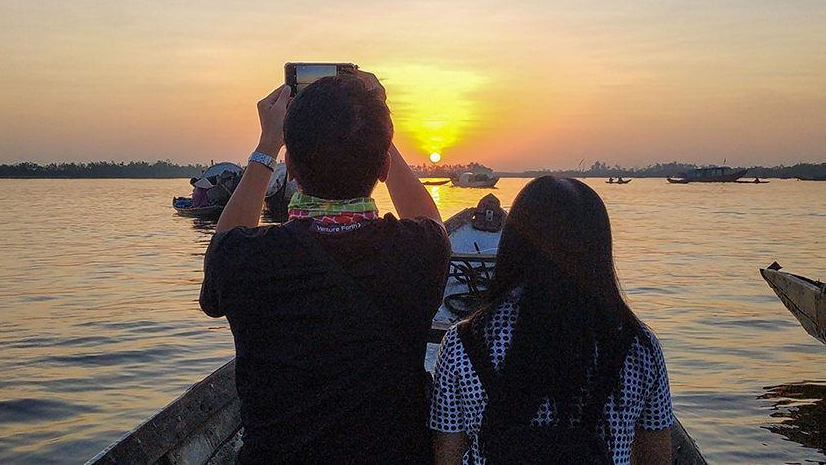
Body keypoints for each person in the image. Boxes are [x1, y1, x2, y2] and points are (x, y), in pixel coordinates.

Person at [200, 70, 451, 464]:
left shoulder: (245, 258)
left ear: (292, 172)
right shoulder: (418, 252)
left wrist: (268, 145)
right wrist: (383, 133)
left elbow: (219, 253)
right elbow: (432, 223)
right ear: (383, 168)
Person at [430, 177, 673, 465]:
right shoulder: (640, 347)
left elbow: (448, 458)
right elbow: (656, 459)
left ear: (513, 243)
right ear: (598, 249)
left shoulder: (462, 345)